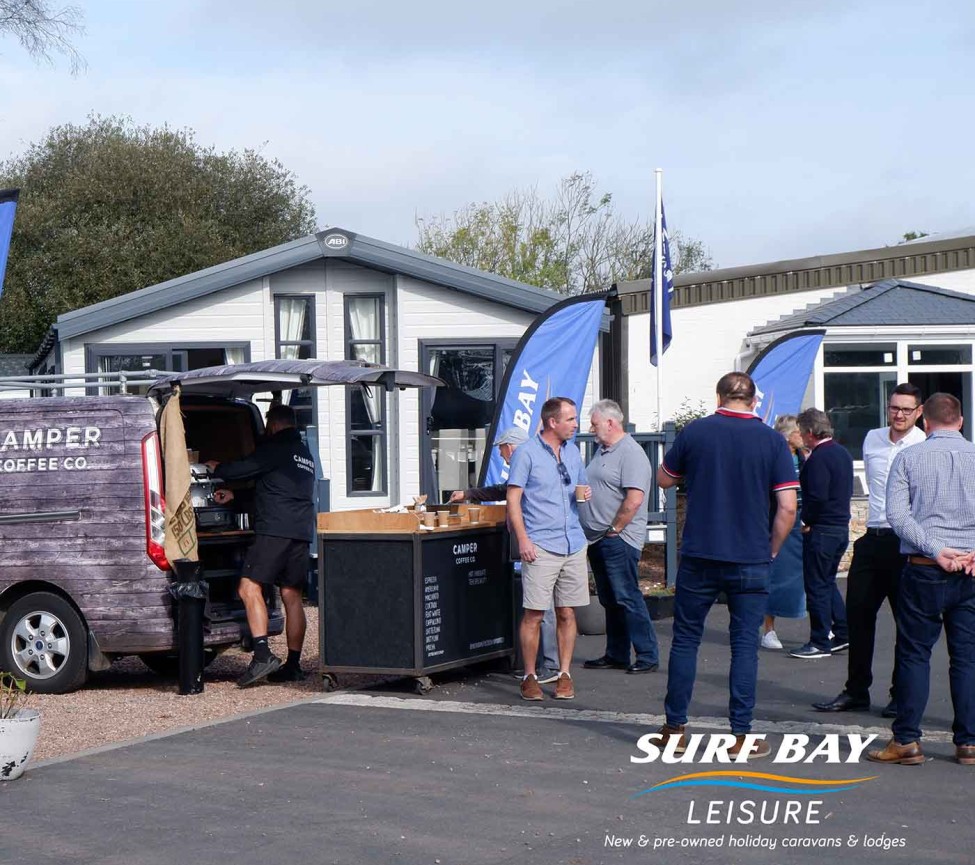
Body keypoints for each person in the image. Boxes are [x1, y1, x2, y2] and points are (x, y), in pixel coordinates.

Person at [656, 372, 798, 761]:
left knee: (685, 640)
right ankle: (740, 735)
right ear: (754, 400)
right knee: (744, 646)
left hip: (701, 552)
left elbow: (664, 479)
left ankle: (675, 729)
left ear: (718, 395)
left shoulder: (696, 433)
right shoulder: (772, 440)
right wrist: (771, 548)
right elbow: (787, 506)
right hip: (751, 556)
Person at [868, 393, 975, 767]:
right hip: (970, 568)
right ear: (960, 421)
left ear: (925, 423)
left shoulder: (909, 457)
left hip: (925, 567)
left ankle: (907, 740)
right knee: (967, 658)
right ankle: (969, 743)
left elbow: (897, 515)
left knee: (914, 654)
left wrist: (934, 548)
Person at [813, 383, 925, 716]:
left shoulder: (923, 444)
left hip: (905, 543)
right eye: (894, 408)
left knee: (906, 623)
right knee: (859, 617)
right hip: (871, 538)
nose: (899, 415)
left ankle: (899, 693)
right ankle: (856, 690)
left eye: (907, 409)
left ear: (919, 412)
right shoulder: (873, 439)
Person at [206, 404, 315, 687]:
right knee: (291, 594)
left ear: (273, 424)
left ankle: (263, 654)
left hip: (275, 530)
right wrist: (236, 499)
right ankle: (293, 664)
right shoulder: (303, 453)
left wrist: (220, 468)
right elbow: (274, 488)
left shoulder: (275, 447)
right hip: (301, 530)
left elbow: (246, 468)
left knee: (248, 587)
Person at [449, 427, 561, 685]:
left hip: (537, 540)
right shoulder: (536, 459)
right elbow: (504, 490)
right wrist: (470, 494)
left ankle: (551, 665)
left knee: (542, 606)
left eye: (501, 450)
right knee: (541, 605)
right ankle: (542, 663)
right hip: (539, 539)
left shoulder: (527, 460)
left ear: (510, 447)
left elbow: (508, 493)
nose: (501, 456)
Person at [507, 396, 589, 701]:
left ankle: (564, 674)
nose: (576, 424)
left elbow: (577, 491)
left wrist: (585, 495)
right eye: (570, 419)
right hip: (541, 544)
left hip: (573, 542)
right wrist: (524, 540)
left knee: (567, 612)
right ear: (552, 422)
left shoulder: (573, 452)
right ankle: (530, 676)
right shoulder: (526, 453)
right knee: (534, 614)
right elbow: (513, 500)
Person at [578, 399, 659, 674]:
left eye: (595, 423)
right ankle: (617, 653)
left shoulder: (631, 453)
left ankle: (647, 655)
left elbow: (635, 499)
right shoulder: (603, 451)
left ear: (610, 423)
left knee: (627, 596)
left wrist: (616, 529)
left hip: (617, 538)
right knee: (610, 599)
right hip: (598, 537)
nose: (591, 428)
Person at [788, 408, 854, 659]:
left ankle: (819, 641)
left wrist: (807, 520)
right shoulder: (841, 453)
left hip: (822, 529)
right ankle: (843, 633)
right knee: (827, 582)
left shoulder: (819, 458)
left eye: (802, 432)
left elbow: (816, 496)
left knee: (816, 585)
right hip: (839, 528)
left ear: (809, 432)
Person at [761, 415, 808, 650]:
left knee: (803, 575)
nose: (805, 436)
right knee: (775, 572)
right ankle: (768, 629)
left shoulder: (804, 457)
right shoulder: (775, 458)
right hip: (778, 519)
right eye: (800, 432)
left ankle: (824, 627)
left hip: (802, 521)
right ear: (790, 435)